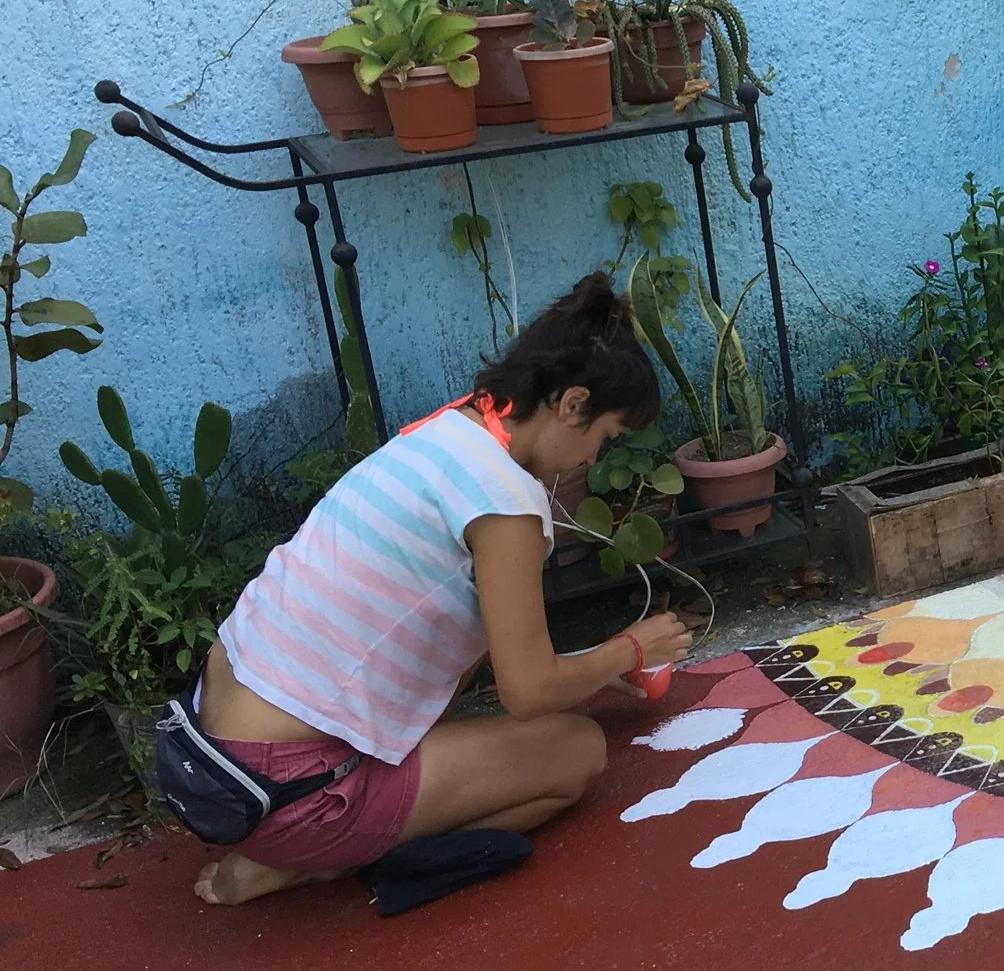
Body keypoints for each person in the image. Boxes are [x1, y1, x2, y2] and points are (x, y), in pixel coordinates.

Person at [175, 273, 692, 907]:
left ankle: (317, 838)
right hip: (291, 794)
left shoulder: (445, 429)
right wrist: (630, 650)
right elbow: (529, 692)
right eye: (603, 436)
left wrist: (592, 668)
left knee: (480, 668)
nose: (591, 458)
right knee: (577, 752)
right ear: (572, 403)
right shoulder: (505, 502)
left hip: (204, 752)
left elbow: (469, 639)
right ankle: (319, 859)